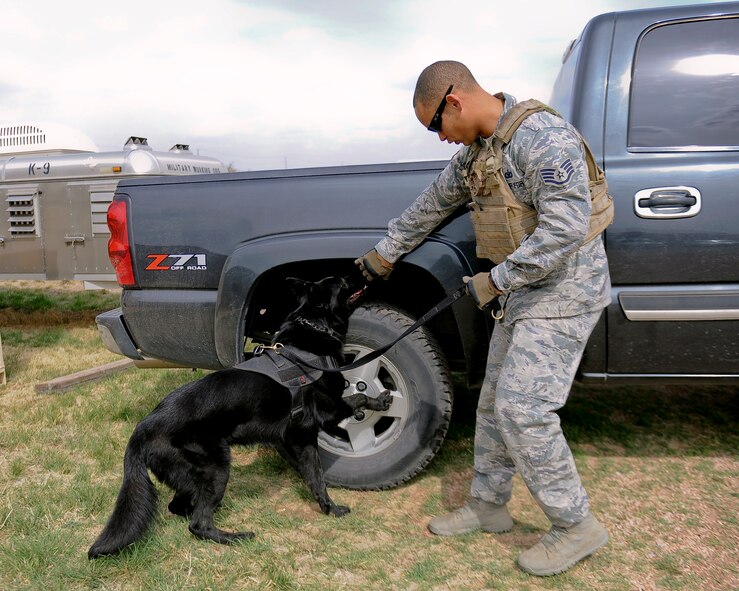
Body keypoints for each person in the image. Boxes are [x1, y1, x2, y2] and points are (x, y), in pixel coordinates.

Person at [355, 60, 613, 577]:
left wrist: (496, 280)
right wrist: (385, 254)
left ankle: (575, 524)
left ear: (454, 101)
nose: (440, 139)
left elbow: (564, 230)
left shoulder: (542, 138)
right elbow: (434, 202)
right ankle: (490, 504)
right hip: (521, 296)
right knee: (494, 403)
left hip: (562, 294)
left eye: (435, 126)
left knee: (523, 409)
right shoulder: (479, 152)